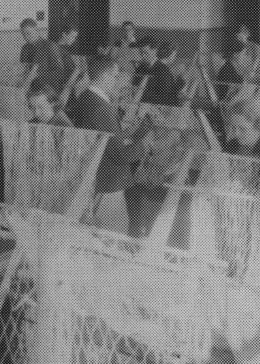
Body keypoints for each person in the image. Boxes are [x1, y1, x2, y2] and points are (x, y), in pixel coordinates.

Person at [70, 56, 157, 237]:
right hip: (109, 182)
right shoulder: (102, 107)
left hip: (96, 176)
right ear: (104, 76)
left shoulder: (84, 97)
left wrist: (130, 135)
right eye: (116, 77)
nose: (117, 82)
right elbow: (120, 155)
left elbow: (105, 140)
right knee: (112, 234)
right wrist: (144, 144)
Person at [132, 37, 185, 107]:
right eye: (141, 53)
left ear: (155, 50)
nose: (143, 56)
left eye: (145, 53)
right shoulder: (140, 68)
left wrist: (141, 95)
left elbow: (166, 100)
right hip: (138, 107)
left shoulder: (163, 70)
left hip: (155, 110)